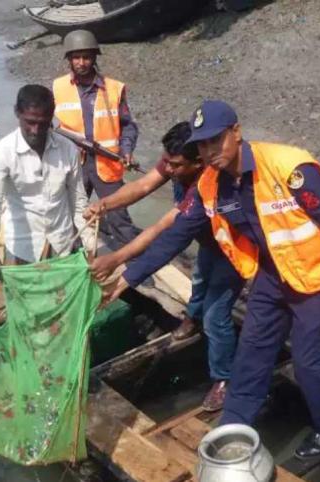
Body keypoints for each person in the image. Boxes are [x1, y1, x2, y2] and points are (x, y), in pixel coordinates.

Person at [102, 100, 320, 460]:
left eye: (216, 140)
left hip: (316, 282)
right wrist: (129, 275)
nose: (210, 151)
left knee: (311, 363)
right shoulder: (210, 186)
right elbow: (175, 236)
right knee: (251, 354)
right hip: (270, 277)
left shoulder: (289, 168)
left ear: (236, 132)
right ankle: (233, 427)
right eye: (202, 145)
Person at [87, 122, 244, 411]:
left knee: (216, 316)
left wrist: (120, 269)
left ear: (199, 162)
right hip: (209, 242)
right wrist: (105, 204)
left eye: (176, 165)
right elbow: (143, 185)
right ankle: (191, 319)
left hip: (233, 249)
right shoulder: (177, 162)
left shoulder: (206, 187)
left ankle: (224, 379)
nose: (168, 169)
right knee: (199, 282)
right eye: (167, 162)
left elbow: (166, 236)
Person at [0, 84, 95, 280]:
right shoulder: (3, 152)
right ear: (17, 113)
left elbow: (78, 202)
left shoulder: (68, 149)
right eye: (29, 122)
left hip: (62, 245)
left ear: (52, 117)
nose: (35, 130)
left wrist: (90, 244)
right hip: (22, 248)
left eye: (42, 123)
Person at [52, 29, 141, 251]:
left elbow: (128, 125)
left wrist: (127, 150)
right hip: (73, 163)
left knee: (118, 215)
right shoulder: (58, 87)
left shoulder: (114, 88)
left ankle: (134, 260)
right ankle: (68, 257)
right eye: (76, 57)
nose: (81, 62)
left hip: (107, 163)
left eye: (86, 57)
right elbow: (49, 126)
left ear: (94, 58)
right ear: (69, 59)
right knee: (66, 214)